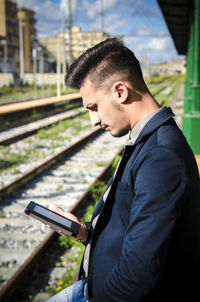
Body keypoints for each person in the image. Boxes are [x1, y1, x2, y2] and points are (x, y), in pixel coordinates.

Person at [46, 38, 200, 302]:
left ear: (120, 92)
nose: (93, 121)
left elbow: (138, 276)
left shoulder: (160, 156)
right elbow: (133, 226)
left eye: (93, 107)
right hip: (93, 284)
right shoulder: (146, 138)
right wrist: (85, 232)